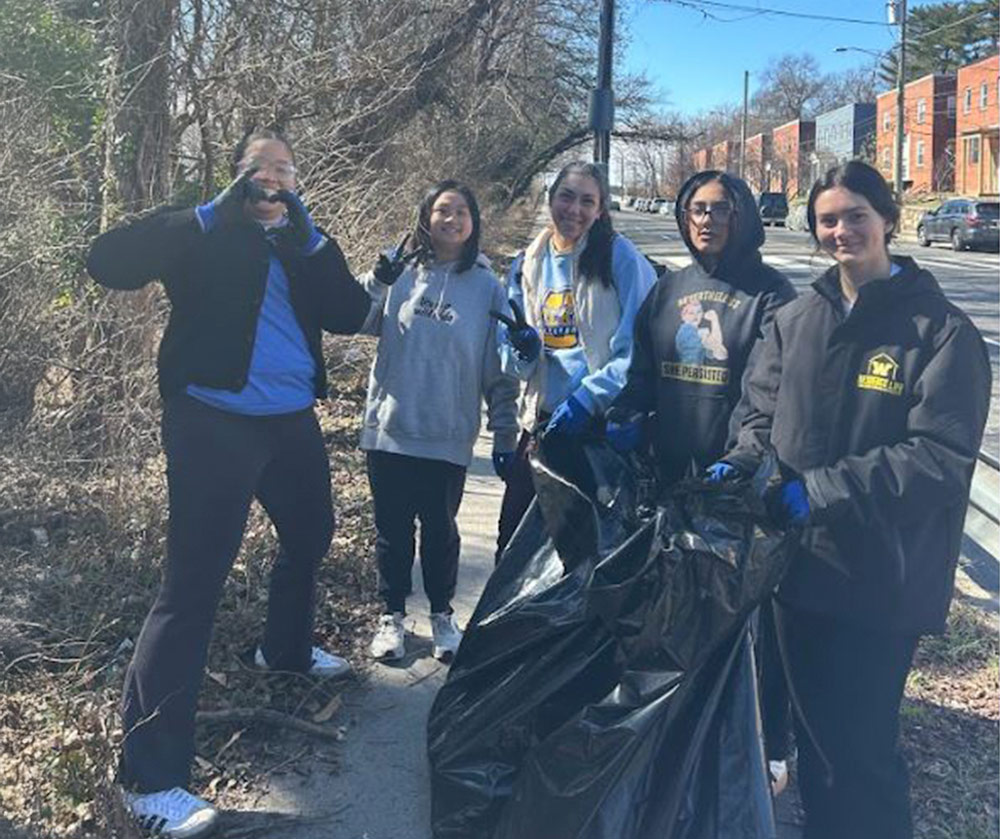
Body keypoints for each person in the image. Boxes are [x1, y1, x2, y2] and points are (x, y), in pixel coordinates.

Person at [87, 129, 372, 838]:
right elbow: (108, 261)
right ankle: (149, 782)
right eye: (260, 169)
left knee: (311, 533)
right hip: (212, 420)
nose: (274, 180)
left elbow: (348, 311)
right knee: (192, 586)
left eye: (285, 169)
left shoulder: (305, 241)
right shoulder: (202, 228)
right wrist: (210, 213)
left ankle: (284, 647)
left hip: (290, 422)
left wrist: (311, 246)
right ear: (237, 178)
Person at [715, 160, 991, 839]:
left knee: (860, 755)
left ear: (889, 219)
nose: (841, 230)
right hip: (798, 572)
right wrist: (740, 464)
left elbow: (939, 459)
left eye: (855, 215)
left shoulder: (942, 332)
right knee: (815, 747)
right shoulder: (797, 318)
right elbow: (759, 410)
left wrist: (822, 490)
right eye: (828, 219)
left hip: (881, 583)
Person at [604, 170, 796, 792]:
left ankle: (766, 744)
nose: (706, 219)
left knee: (748, 619)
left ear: (742, 215)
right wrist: (630, 417)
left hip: (736, 490)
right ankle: (680, 722)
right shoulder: (668, 291)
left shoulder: (772, 294)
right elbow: (642, 373)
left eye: (719, 208)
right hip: (672, 483)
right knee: (674, 609)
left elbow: (769, 392)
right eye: (695, 208)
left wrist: (742, 460)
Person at [361, 180, 518, 663]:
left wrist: (506, 430)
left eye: (461, 213)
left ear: (474, 224)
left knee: (440, 528)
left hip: (447, 433)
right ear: (425, 218)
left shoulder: (489, 288)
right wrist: (377, 280)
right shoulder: (400, 274)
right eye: (442, 211)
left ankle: (442, 615)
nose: (451, 220)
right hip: (389, 425)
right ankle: (392, 618)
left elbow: (500, 365)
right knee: (391, 530)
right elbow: (357, 320)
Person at [494, 161, 655, 561]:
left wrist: (589, 399)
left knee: (585, 555)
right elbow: (511, 356)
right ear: (550, 199)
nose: (575, 210)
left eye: (588, 201)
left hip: (597, 431)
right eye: (567, 196)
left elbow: (639, 345)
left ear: (601, 210)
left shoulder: (620, 258)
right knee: (514, 549)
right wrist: (522, 352)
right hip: (543, 424)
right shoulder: (527, 263)